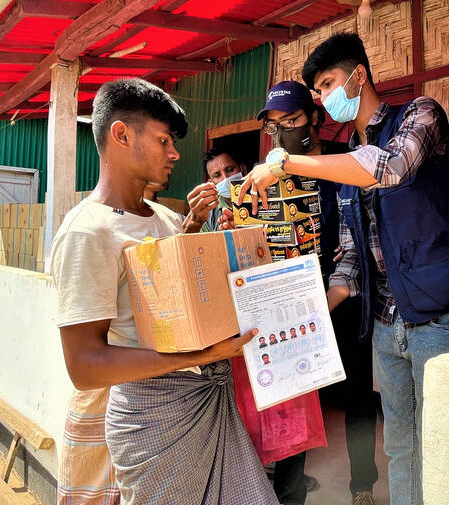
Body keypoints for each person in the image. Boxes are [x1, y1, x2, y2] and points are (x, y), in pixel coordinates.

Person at [239, 35, 449, 505]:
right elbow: (349, 257)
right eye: (320, 91)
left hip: (440, 315)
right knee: (402, 442)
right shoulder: (346, 154)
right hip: (387, 322)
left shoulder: (420, 115)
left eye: (329, 84)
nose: (327, 97)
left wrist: (286, 165)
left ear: (359, 76)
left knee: (444, 442)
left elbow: (387, 168)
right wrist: (309, 317)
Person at [50, 78, 277, 505]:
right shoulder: (87, 232)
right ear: (121, 135)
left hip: (207, 398)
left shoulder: (167, 217)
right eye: (163, 140)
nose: (175, 153)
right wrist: (201, 357)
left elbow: (185, 300)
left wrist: (210, 239)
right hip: (153, 421)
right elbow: (84, 365)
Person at [255, 79, 379, 505]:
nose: (284, 132)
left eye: (292, 120)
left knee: (358, 397)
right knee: (295, 400)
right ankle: (287, 496)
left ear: (315, 119)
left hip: (346, 297)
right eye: (275, 126)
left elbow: (360, 239)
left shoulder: (345, 166)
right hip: (294, 305)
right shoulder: (271, 176)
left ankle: (362, 484)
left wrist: (333, 298)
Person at [188, 148, 247, 232]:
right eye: (217, 175)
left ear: (243, 169)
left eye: (230, 170)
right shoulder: (207, 213)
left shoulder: (262, 197)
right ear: (211, 183)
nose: (225, 178)